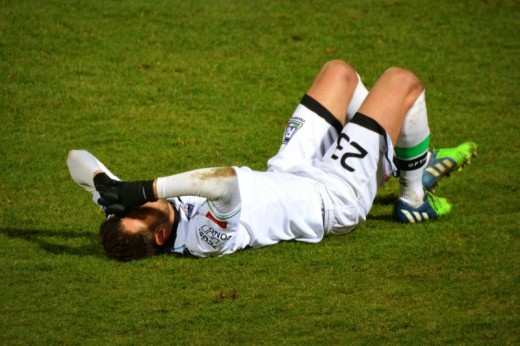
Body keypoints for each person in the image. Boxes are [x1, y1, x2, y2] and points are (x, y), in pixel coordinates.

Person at [67, 59, 477, 261]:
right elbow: (224, 182)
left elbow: (75, 158)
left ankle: (392, 160)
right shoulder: (205, 239)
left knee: (339, 73)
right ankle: (412, 193)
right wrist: (144, 187)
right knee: (402, 83)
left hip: (289, 167)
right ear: (159, 236)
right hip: (330, 199)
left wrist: (103, 183)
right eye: (143, 208)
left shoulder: (138, 218)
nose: (140, 202)